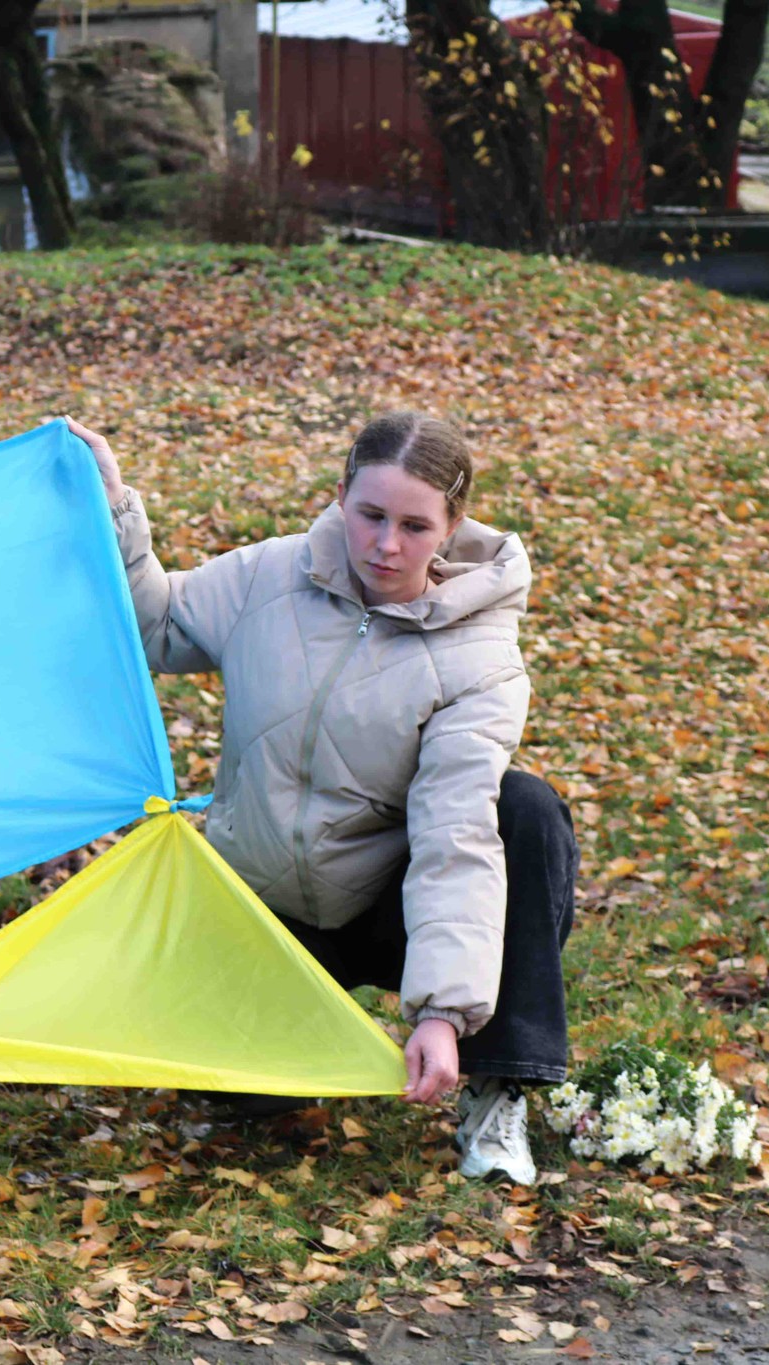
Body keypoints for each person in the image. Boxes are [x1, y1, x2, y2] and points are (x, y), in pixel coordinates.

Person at [67, 412, 577, 1186]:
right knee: (244, 1099)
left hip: (386, 905)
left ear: (452, 526)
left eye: (415, 526)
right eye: (371, 515)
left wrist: (443, 1012)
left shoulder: (481, 658)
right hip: (266, 908)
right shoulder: (272, 575)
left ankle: (498, 1086)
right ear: (341, 496)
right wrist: (113, 505)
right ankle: (278, 1037)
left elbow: (455, 831)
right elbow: (157, 625)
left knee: (524, 811)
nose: (386, 545)